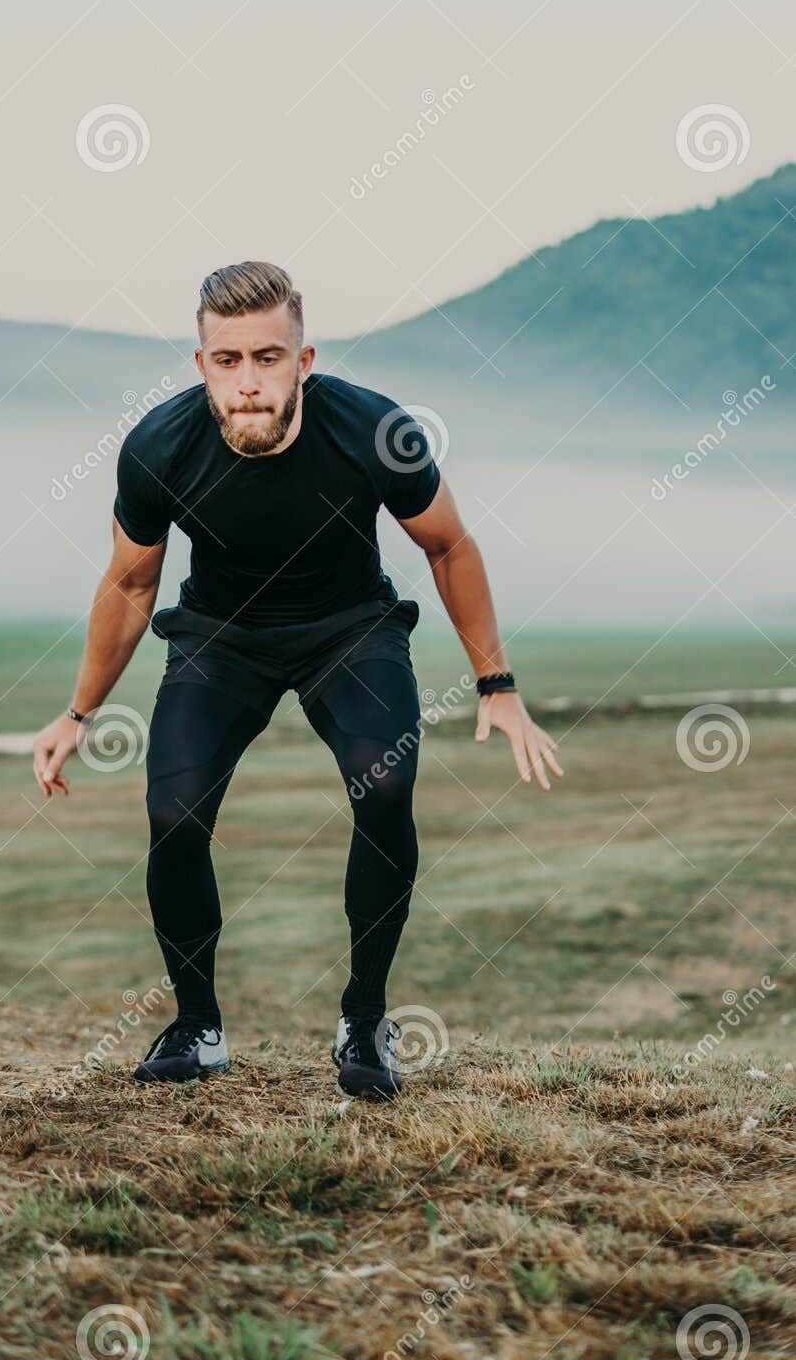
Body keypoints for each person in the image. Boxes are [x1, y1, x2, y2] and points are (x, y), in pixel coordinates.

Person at [32, 262, 562, 1098]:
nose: (248, 381)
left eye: (268, 358)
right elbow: (132, 581)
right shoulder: (157, 446)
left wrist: (495, 681)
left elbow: (448, 544)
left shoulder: (375, 430)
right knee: (172, 813)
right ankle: (196, 1024)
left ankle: (363, 1019)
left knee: (383, 792)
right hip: (220, 638)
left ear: (303, 360)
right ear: (201, 364)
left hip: (350, 631)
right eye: (228, 360)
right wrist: (79, 712)